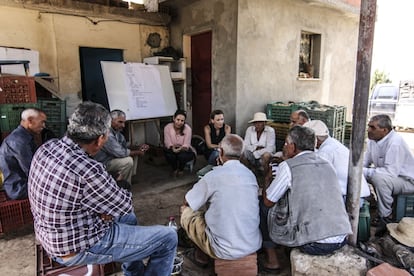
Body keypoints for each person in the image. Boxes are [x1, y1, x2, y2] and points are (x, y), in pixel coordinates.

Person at [28, 102, 177, 276]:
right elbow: (123, 204)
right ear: (100, 139)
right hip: (75, 248)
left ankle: (134, 273)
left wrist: (103, 210)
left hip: (50, 235)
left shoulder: (47, 147)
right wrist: (117, 188)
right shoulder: (89, 170)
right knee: (168, 238)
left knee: (128, 219)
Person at [260, 126, 351, 270]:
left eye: (285, 144)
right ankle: (283, 250)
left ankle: (273, 260)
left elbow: (268, 201)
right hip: (341, 237)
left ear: (293, 146)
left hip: (314, 243)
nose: (284, 147)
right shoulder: (327, 164)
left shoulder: (288, 166)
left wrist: (267, 178)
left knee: (264, 207)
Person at [180, 134, 262, 265]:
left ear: (221, 152)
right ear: (241, 155)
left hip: (223, 249)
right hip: (252, 244)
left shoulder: (212, 176)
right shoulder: (250, 175)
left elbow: (188, 201)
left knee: (187, 211)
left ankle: (200, 256)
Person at [363, 114, 414, 229]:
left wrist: (365, 172)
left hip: (407, 180)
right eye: (369, 126)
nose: (369, 130)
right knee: (359, 173)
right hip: (393, 177)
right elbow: (365, 161)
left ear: (384, 130)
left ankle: (386, 216)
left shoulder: (395, 142)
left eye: (373, 127)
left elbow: (390, 172)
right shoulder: (372, 140)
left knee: (379, 179)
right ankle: (370, 200)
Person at [304, 120, 370, 205]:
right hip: (354, 194)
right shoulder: (331, 143)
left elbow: (317, 177)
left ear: (316, 139)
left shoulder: (326, 151)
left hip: (349, 197)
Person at [0, 108, 46, 199]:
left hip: (21, 184)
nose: (44, 126)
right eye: (42, 122)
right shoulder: (19, 141)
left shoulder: (23, 137)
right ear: (30, 121)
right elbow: (31, 171)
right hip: (19, 188)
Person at [94, 109, 149, 184]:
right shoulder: (107, 134)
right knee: (128, 161)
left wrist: (138, 147)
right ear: (110, 120)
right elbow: (120, 153)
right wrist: (138, 152)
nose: (123, 125)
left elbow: (124, 145)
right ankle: (123, 186)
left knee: (134, 154)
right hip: (103, 162)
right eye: (120, 122)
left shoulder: (116, 132)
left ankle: (129, 178)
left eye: (124, 122)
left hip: (112, 157)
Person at [241, 112, 275, 176]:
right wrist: (255, 147)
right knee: (243, 153)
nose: (257, 125)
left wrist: (256, 153)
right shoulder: (249, 130)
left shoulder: (270, 131)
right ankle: (248, 174)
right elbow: (245, 145)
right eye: (255, 123)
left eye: (260, 122)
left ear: (264, 123)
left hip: (262, 155)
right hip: (251, 154)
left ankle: (266, 177)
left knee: (266, 155)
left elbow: (270, 148)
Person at [163, 109, 196, 177]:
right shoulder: (167, 128)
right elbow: (167, 142)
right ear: (174, 118)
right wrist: (172, 148)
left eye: (182, 121)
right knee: (169, 154)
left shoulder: (187, 129)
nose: (179, 122)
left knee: (182, 156)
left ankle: (181, 169)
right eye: (178, 120)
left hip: (184, 149)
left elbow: (186, 144)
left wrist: (179, 149)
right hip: (172, 148)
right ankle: (175, 169)